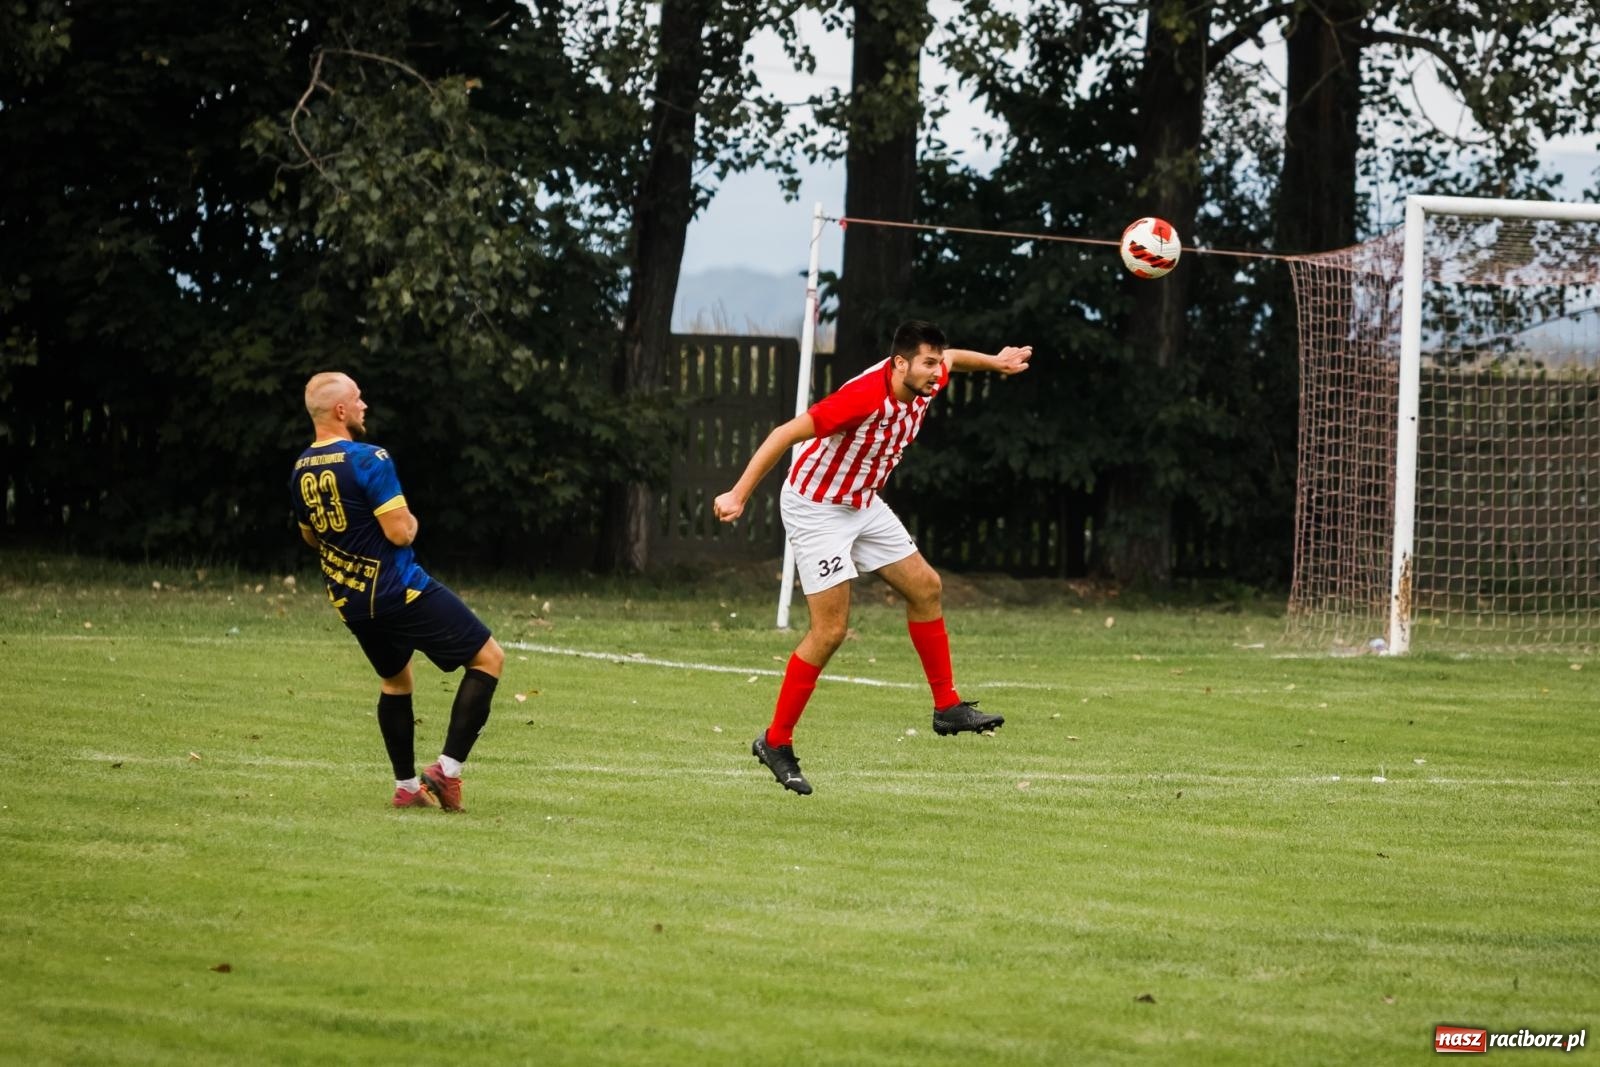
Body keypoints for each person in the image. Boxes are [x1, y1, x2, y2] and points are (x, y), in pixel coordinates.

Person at [713, 320, 1032, 795]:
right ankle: (775, 742)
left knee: (926, 588)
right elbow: (783, 433)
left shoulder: (928, 375)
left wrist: (997, 362)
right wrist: (739, 494)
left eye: (934, 362)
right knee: (831, 630)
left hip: (861, 501)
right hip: (817, 507)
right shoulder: (861, 397)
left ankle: (947, 708)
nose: (935, 371)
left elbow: (954, 358)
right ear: (900, 363)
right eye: (926, 362)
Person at [290, 372, 505, 811]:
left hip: (351, 601)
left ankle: (407, 787)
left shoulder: (299, 470)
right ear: (340, 411)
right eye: (358, 398)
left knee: (396, 680)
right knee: (488, 658)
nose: (365, 404)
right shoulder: (369, 458)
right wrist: (411, 523)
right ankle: (446, 772)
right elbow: (401, 532)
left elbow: (311, 538)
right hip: (398, 590)